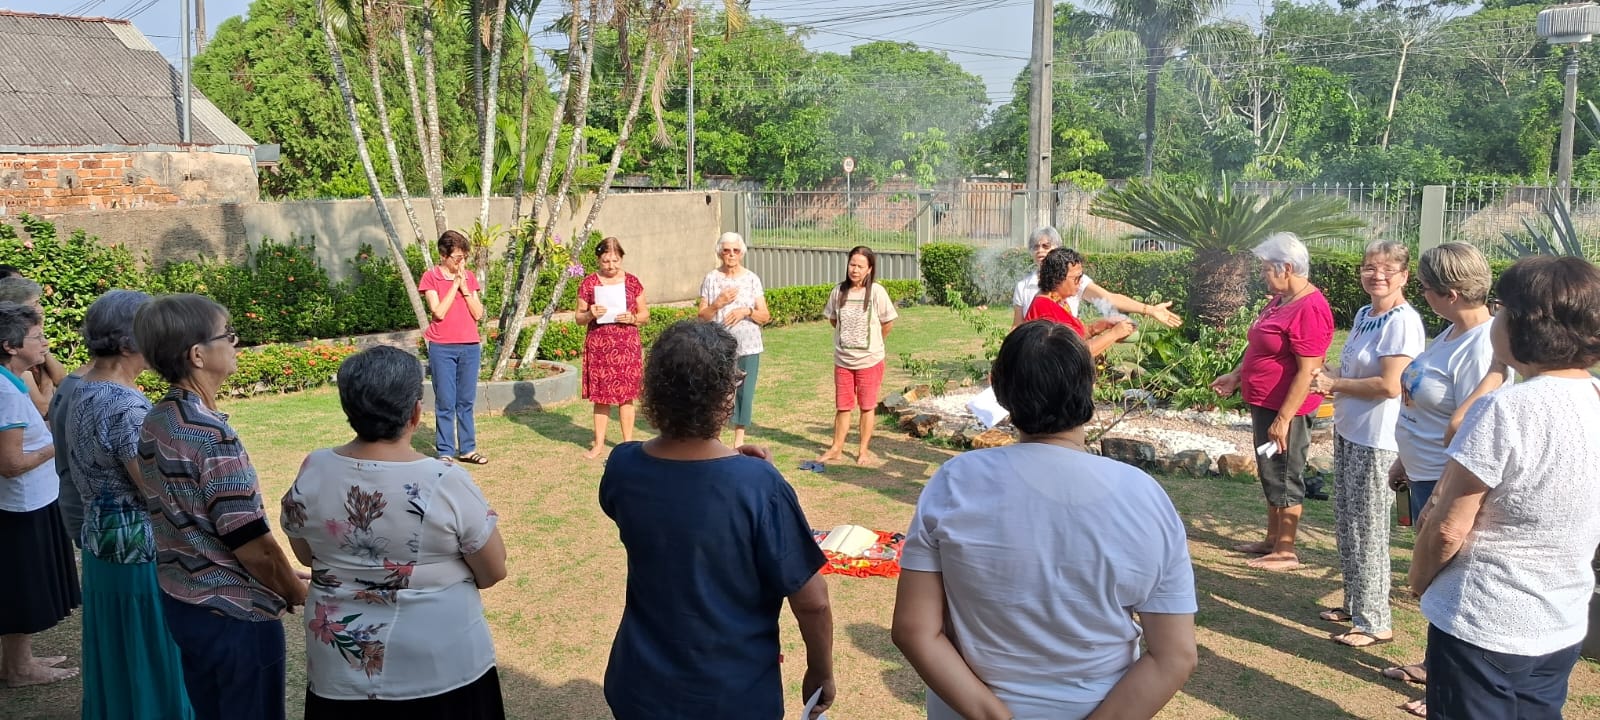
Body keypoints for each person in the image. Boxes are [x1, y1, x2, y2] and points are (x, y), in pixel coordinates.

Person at [892, 320, 1198, 719]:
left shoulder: (956, 482)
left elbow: (915, 630)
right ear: (1088, 387)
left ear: (1000, 390)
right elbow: (1174, 655)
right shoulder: (1144, 496)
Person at [600, 321, 834, 720]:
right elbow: (812, 601)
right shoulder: (758, 486)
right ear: (725, 395)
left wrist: (749, 477)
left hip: (639, 687)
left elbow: (675, 508)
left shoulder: (622, 466)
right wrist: (820, 671)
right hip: (731, 695)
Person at [1410, 255, 1600, 719]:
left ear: (1523, 323)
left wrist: (1418, 581)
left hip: (1484, 620)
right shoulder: (1595, 397)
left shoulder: (1504, 409)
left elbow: (1450, 527)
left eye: (1501, 308)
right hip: (1562, 615)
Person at [281, 346, 507, 719]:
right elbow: (493, 570)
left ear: (348, 409)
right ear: (416, 412)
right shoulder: (443, 480)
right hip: (441, 667)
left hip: (342, 670)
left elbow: (307, 554)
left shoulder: (315, 468)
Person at [133, 294, 307, 720]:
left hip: (184, 604)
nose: (235, 344)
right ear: (197, 355)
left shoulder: (157, 419)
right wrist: (293, 589)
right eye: (228, 336)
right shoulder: (211, 437)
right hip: (235, 617)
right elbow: (253, 545)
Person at [1376, 243, 1507, 716]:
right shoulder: (1451, 332)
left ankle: (1445, 688)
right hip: (1424, 473)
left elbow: (1475, 429)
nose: (1422, 295)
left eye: (1426, 288)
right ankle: (1435, 665)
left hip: (1449, 483)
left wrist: (1442, 490)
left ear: (1451, 292)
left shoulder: (1483, 347)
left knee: (1447, 583)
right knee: (1439, 585)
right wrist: (1406, 462)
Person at [63, 290, 194, 719]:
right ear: (127, 343)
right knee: (148, 649)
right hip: (137, 551)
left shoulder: (83, 388)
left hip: (103, 545)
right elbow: (154, 489)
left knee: (118, 652)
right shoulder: (125, 405)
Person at [1309, 241, 1426, 647]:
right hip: (1348, 429)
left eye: (1386, 270)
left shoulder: (1403, 321)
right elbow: (1356, 367)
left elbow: (1390, 385)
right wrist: (1331, 372)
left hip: (1378, 440)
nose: (1376, 276)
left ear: (1404, 276)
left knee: (1369, 528)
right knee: (1347, 522)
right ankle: (1354, 602)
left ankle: (1375, 621)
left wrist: (1334, 384)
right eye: (1369, 268)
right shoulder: (1364, 314)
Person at [1210, 232, 1334, 572]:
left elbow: (1308, 370)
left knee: (1286, 471)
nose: (1263, 275)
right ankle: (1271, 539)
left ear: (1287, 267)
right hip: (1265, 403)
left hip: (1287, 409)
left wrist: (1283, 418)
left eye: (1266, 269)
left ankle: (1286, 549)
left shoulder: (1310, 307)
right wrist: (1237, 375)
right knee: (1270, 470)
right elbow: (1260, 345)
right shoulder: (1280, 300)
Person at [0, 301, 80, 688]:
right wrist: (56, 444)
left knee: (25, 585)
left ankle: (21, 659)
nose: (45, 343)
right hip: (21, 506)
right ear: (10, 345)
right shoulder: (7, 392)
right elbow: (10, 463)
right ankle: (17, 668)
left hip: (33, 500)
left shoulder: (14, 382)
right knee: (23, 588)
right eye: (37, 337)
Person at [1010, 226, 1182, 329]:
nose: (1040, 250)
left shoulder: (1074, 278)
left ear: (1058, 248)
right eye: (1035, 246)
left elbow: (1108, 298)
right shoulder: (1025, 287)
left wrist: (1149, 310)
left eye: (1046, 246)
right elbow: (1018, 327)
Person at [818, 246, 898, 467]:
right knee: (843, 406)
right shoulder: (838, 292)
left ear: (869, 269)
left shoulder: (877, 293)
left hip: (869, 361)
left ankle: (863, 450)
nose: (854, 270)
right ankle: (836, 448)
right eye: (852, 264)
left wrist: (875, 344)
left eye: (860, 266)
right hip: (843, 361)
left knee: (867, 406)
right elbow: (834, 320)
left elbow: (887, 323)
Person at [576, 237, 650, 459]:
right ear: (598, 259)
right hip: (599, 345)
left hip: (626, 344)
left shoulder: (633, 282)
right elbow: (579, 318)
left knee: (627, 396)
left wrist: (633, 317)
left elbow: (645, 314)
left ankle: (627, 443)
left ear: (622, 258)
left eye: (615, 261)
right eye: (606, 261)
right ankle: (598, 444)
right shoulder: (589, 283)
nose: (611, 266)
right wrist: (590, 314)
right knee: (601, 397)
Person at [697, 231, 771, 448]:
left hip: (748, 346)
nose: (731, 255)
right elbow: (702, 316)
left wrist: (746, 311)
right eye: (726, 250)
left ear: (742, 253)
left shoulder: (751, 279)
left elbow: (765, 315)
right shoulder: (711, 278)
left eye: (735, 250)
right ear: (720, 253)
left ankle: (739, 441)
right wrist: (717, 303)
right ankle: (715, 438)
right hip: (718, 346)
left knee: (744, 394)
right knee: (717, 391)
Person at [421, 230, 488, 465]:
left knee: (466, 401)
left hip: (470, 346)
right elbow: (438, 312)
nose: (462, 263)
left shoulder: (469, 277)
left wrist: (465, 288)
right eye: (457, 257)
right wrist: (454, 285)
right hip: (442, 347)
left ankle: (468, 449)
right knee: (446, 401)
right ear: (443, 255)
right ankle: (445, 451)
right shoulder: (430, 278)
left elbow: (478, 313)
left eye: (464, 257)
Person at [1023, 247, 1136, 357]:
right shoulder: (1045, 310)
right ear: (1057, 279)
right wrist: (1114, 334)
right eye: (1076, 278)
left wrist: (1101, 325)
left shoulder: (1055, 301)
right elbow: (1076, 354)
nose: (1080, 282)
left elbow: (1074, 336)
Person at [0, 276, 67, 416]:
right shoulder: (15, 357)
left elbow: (61, 378)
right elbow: (44, 409)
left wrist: (40, 340)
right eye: (35, 303)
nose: (41, 309)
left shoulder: (31, 340)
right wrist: (47, 382)